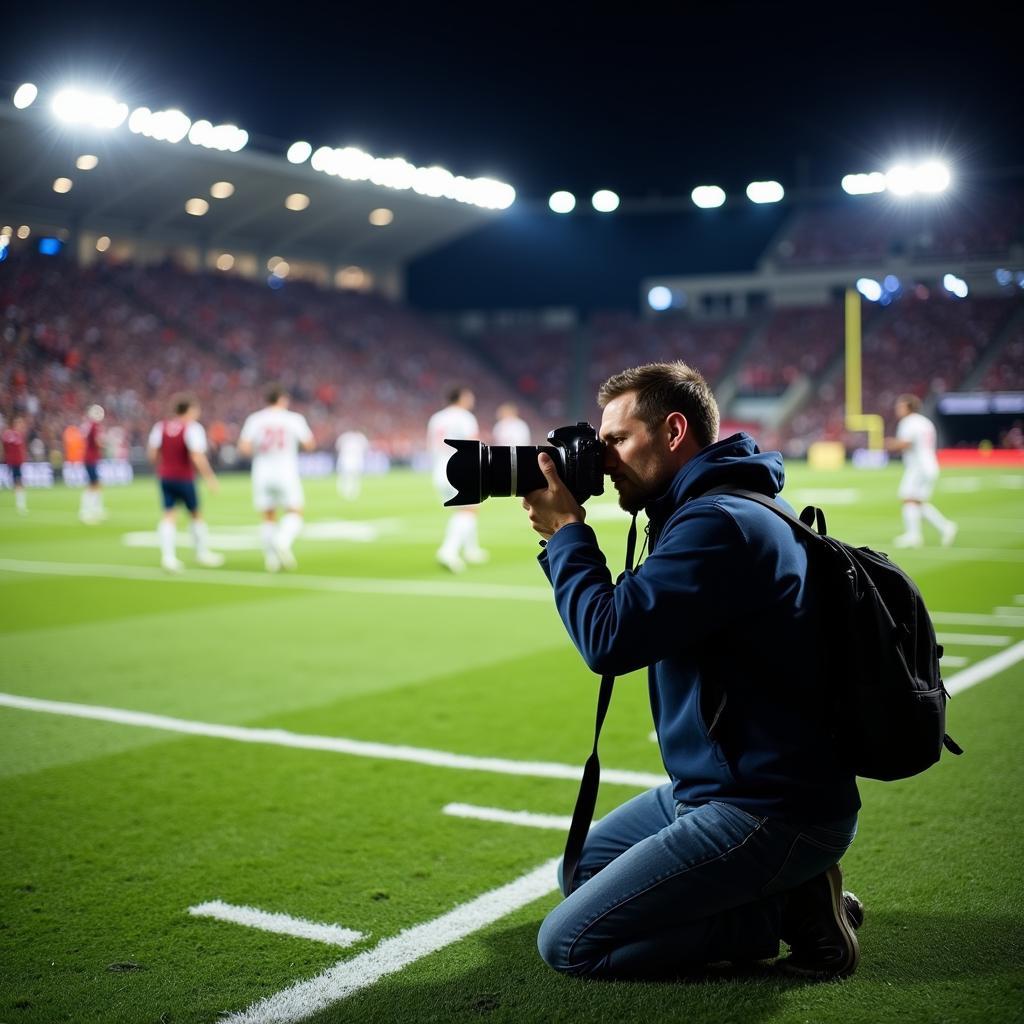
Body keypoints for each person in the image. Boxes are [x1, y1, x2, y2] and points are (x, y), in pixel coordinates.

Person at [520, 361, 863, 981]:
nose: (604, 460)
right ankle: (783, 893)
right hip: (723, 784)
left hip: (768, 804)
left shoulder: (718, 524)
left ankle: (787, 911)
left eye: (617, 441)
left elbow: (610, 638)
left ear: (674, 431)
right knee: (580, 871)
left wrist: (568, 533)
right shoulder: (711, 507)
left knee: (570, 944)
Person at [238, 386, 315, 572]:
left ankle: (271, 560)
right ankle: (282, 541)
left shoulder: (255, 419)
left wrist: (261, 450)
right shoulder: (293, 419)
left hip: (262, 471)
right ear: (283, 399)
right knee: (295, 512)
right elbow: (309, 444)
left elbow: (244, 448)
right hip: (285, 470)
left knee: (268, 517)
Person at [147, 395, 224, 573]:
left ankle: (168, 557)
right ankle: (202, 553)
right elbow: (196, 455)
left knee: (168, 514)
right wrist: (210, 477)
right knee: (196, 514)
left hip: (165, 476)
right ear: (189, 410)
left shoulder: (161, 426)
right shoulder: (193, 428)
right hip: (184, 477)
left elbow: (152, 454)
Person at [427, 387, 488, 572]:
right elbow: (472, 444)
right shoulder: (465, 417)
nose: (472, 399)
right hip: (459, 468)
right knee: (468, 511)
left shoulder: (436, 417)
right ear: (461, 398)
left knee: (464, 510)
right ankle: (448, 551)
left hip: (439, 468)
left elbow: (431, 444)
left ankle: (471, 550)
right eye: (469, 396)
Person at [886, 394, 957, 548]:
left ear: (908, 407)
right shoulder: (925, 422)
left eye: (900, 406)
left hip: (918, 467)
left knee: (908, 498)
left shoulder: (908, 422)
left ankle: (914, 536)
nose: (897, 409)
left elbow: (905, 444)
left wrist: (890, 444)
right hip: (929, 464)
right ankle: (945, 526)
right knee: (916, 501)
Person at [79, 404, 107, 525]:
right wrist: (104, 444)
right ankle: (86, 510)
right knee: (93, 485)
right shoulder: (94, 426)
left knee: (96, 484)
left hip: (90, 458)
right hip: (91, 459)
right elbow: (97, 442)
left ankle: (96, 509)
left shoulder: (89, 425)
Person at [2, 416, 28, 515]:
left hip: (18, 463)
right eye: (19, 423)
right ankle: (21, 506)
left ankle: (20, 504)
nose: (21, 425)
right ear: (15, 424)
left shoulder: (19, 435)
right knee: (19, 483)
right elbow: (5, 446)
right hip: (13, 463)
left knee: (18, 484)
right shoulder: (9, 434)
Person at [335, 428, 370, 500]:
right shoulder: (348, 437)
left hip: (354, 458)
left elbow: (337, 447)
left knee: (353, 476)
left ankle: (350, 491)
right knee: (346, 476)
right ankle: (346, 491)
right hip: (348, 458)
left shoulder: (358, 437)